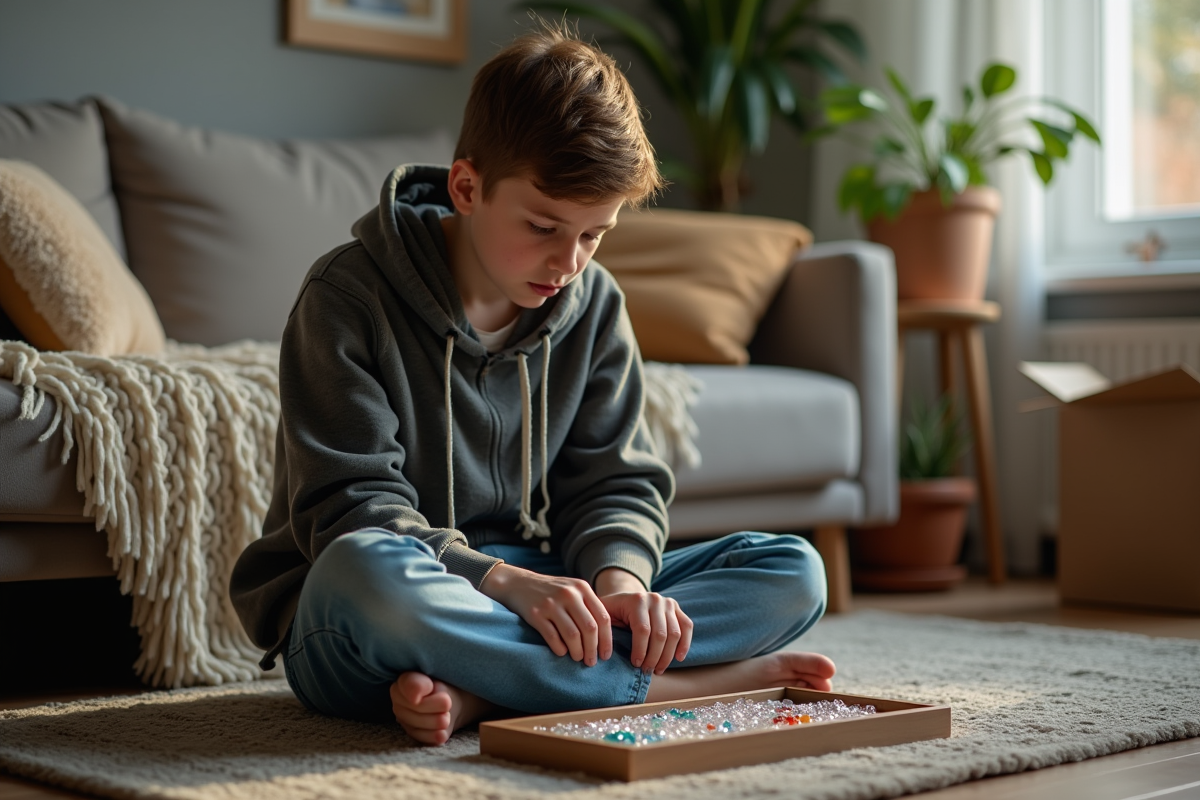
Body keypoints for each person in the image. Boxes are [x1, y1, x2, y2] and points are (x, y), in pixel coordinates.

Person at [229, 21, 835, 746]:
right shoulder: (346, 295)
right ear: (466, 187)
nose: (569, 261)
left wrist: (621, 587)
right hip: (378, 605)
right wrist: (503, 584)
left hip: (539, 592)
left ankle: (486, 691)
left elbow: (615, 483)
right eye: (544, 226)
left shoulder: (595, 302)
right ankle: (682, 687)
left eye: (593, 234)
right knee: (363, 571)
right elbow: (350, 510)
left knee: (793, 569)